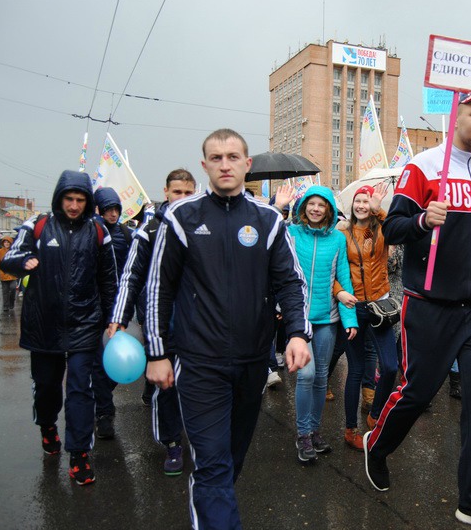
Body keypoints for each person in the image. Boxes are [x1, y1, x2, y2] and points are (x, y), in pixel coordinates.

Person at [143, 129, 311, 529]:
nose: (225, 165)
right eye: (216, 158)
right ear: (205, 166)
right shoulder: (181, 217)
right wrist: (157, 353)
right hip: (199, 363)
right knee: (213, 465)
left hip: (252, 363)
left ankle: (210, 509)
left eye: (233, 157)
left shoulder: (268, 220)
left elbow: (291, 282)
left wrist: (297, 333)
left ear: (246, 164)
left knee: (230, 461)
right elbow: (158, 288)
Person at [368, 92, 471, 530]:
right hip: (430, 306)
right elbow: (392, 229)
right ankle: (377, 444)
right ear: (455, 116)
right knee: (417, 392)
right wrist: (422, 221)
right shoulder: (423, 166)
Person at [1, 170, 118, 486]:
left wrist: (113, 320)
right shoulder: (38, 225)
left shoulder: (98, 231)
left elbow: (109, 280)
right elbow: (8, 258)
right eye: (69, 199)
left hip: (85, 325)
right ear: (59, 198)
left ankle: (79, 455)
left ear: (87, 201)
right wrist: (22, 262)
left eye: (80, 200)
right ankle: (48, 426)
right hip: (44, 326)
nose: (74, 205)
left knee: (80, 390)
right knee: (47, 386)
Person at [108, 169, 196, 475]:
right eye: (177, 192)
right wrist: (120, 316)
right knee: (167, 386)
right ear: (166, 192)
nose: (182, 198)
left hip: (200, 325)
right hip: (162, 324)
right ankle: (172, 444)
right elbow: (131, 274)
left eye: (188, 193)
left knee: (200, 386)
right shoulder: (150, 229)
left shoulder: (204, 226)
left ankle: (201, 441)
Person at [287, 184, 357, 460]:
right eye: (311, 204)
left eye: (321, 205)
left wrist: (350, 319)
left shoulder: (337, 239)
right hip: (299, 319)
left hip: (327, 318)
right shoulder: (292, 233)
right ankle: (303, 434)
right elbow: (278, 268)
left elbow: (344, 278)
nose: (316, 209)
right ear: (304, 207)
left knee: (320, 378)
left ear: (329, 209)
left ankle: (315, 431)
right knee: (305, 375)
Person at [337, 183, 398, 442]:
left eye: (366, 201)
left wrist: (379, 210)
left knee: (390, 366)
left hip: (379, 307)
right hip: (353, 307)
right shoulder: (342, 232)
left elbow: (398, 232)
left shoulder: (382, 228)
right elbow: (332, 268)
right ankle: (350, 429)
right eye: (358, 201)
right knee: (356, 370)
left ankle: (375, 413)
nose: (361, 205)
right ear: (352, 205)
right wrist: (339, 292)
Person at [92, 187, 132, 439]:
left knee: (121, 358)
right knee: (97, 361)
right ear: (99, 209)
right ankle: (104, 412)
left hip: (119, 306)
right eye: (108, 209)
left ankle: (102, 393)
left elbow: (133, 270)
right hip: (93, 306)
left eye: (116, 209)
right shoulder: (91, 231)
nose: (113, 214)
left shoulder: (126, 234)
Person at [0, 236, 18, 311]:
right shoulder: (0, 251)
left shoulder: (14, 251)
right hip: (3, 274)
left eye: (8, 242)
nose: (6, 244)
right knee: (5, 291)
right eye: (5, 242)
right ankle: (5, 306)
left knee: (13, 288)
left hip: (13, 274)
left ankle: (11, 301)